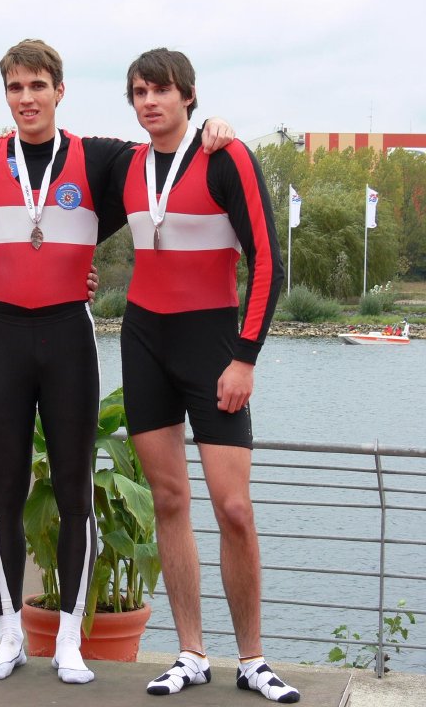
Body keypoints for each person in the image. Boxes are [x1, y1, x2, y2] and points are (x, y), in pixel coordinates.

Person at [0, 39, 233, 685]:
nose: (27, 98)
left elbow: (166, 150)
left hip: (68, 337)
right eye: (15, 87)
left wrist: (215, 130)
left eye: (38, 86)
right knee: (4, 491)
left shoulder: (100, 158)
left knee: (75, 486)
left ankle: (69, 640)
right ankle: (8, 635)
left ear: (60, 90)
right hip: (1, 335)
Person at [112, 48, 298, 703]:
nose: (149, 102)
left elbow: (269, 262)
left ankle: (253, 659)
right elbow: (57, 208)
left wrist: (245, 357)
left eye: (161, 90)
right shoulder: (125, 165)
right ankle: (190, 652)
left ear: (188, 96)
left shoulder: (226, 157)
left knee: (234, 508)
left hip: (214, 347)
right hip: (144, 342)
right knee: (168, 501)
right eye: (139, 92)